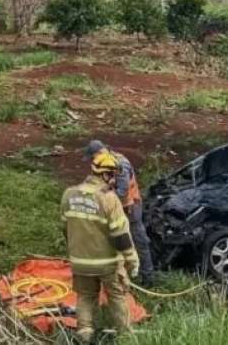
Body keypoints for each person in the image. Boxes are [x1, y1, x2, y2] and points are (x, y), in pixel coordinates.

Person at [62, 151, 139, 343]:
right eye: (113, 176)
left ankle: (85, 333)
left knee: (85, 296)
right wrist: (132, 260)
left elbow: (65, 228)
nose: (114, 181)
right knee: (117, 296)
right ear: (105, 174)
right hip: (107, 264)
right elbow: (120, 235)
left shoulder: (69, 194)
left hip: (79, 262)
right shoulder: (109, 199)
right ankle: (125, 335)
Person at [84, 140, 153, 286]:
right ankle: (121, 273)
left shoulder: (121, 164)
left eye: (92, 157)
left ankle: (147, 277)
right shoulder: (103, 163)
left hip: (130, 208)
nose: (91, 161)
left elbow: (122, 192)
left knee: (139, 241)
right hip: (116, 208)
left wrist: (103, 197)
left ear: (99, 153)